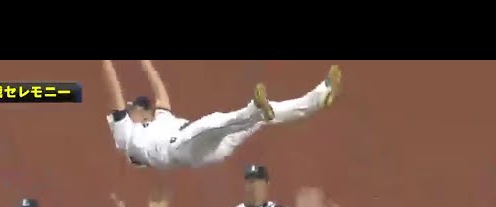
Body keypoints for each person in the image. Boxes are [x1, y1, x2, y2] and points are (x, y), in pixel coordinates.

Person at [103, 60, 342, 169]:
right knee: (214, 121)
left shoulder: (160, 118)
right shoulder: (127, 135)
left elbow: (160, 92)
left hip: (212, 145)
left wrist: (145, 63)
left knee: (265, 115)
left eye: (135, 107)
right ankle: (253, 107)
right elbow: (115, 91)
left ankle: (318, 98)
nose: (130, 109)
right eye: (131, 108)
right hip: (183, 148)